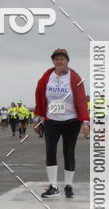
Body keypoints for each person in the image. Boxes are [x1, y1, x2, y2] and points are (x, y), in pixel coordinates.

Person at [33, 48, 90, 198]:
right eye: (56, 59)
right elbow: (39, 96)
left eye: (62, 59)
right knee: (50, 151)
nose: (59, 61)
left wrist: (85, 121)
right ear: (53, 61)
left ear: (67, 61)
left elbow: (81, 100)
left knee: (68, 152)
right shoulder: (47, 76)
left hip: (71, 121)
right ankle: (53, 187)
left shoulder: (75, 77)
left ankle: (69, 186)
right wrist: (37, 119)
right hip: (52, 121)